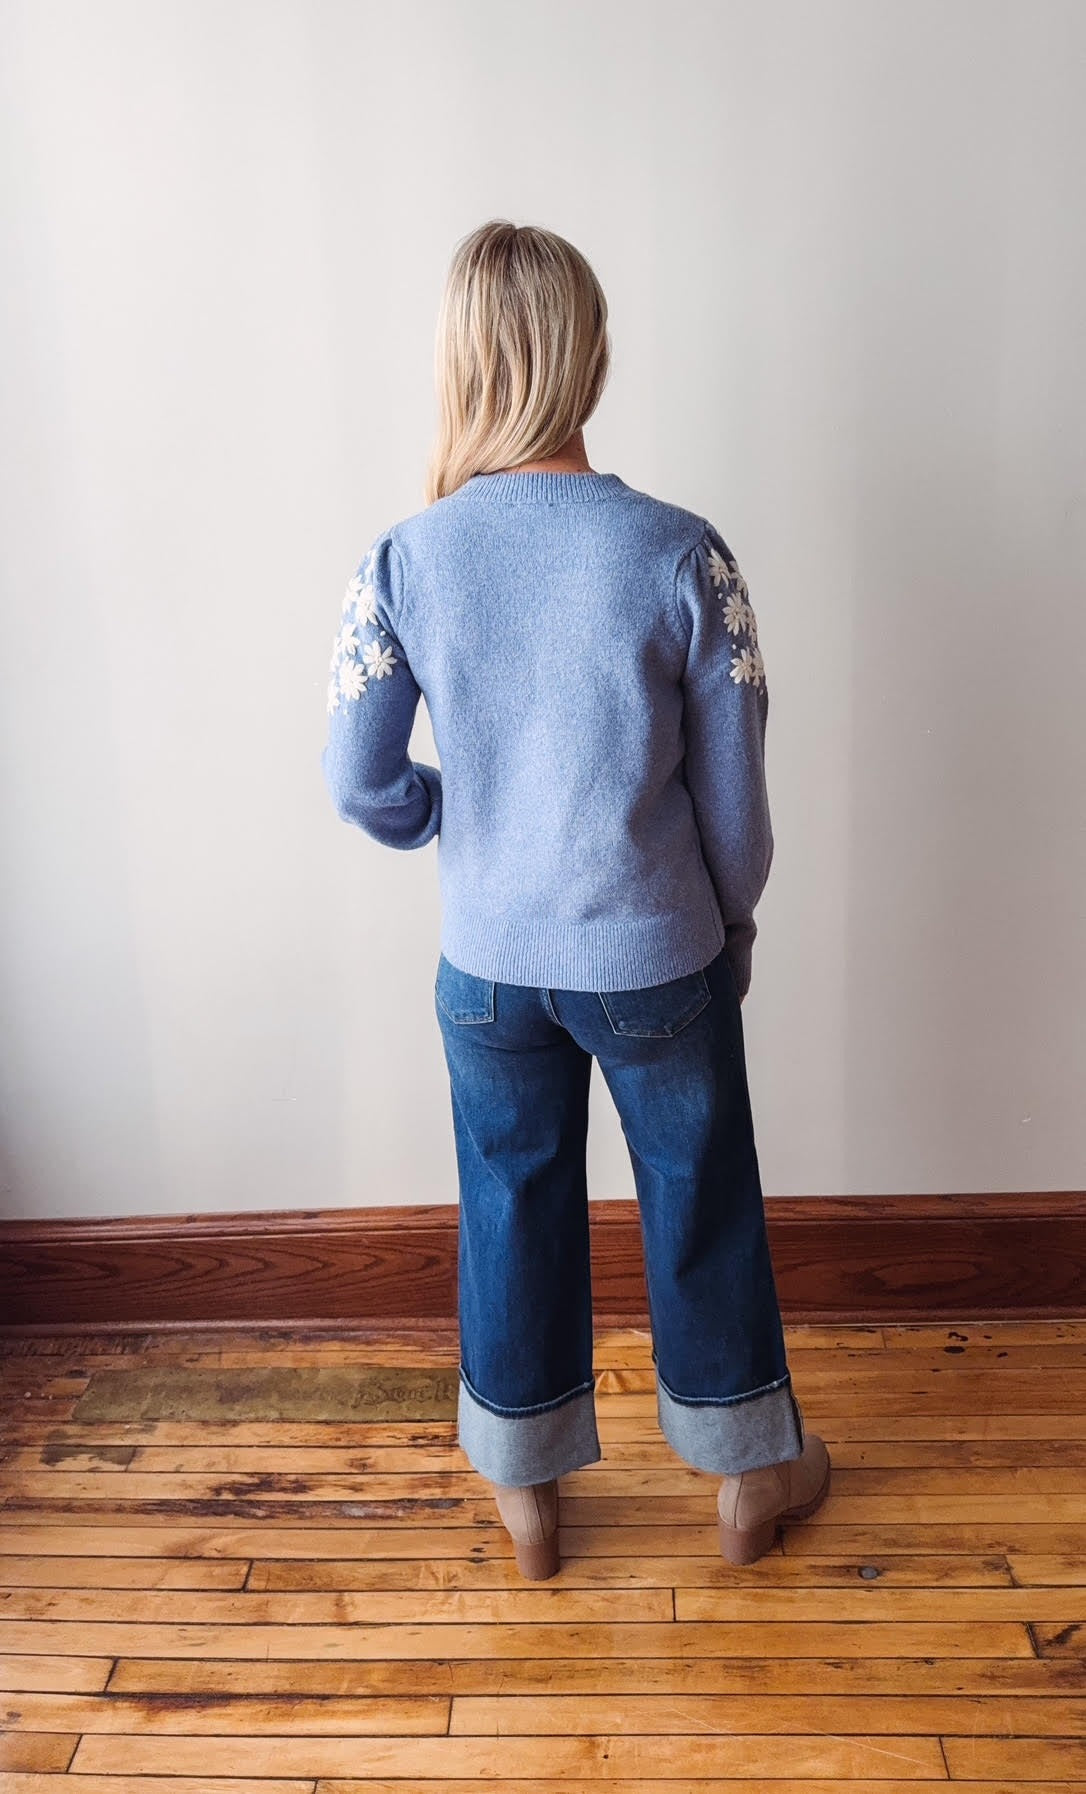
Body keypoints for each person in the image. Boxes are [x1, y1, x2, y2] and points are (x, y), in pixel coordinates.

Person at [321, 217, 830, 1579]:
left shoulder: (403, 560)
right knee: (699, 1189)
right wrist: (725, 923)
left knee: (509, 1196)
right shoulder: (680, 553)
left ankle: (529, 1489)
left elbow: (356, 777)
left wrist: (450, 821)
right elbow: (736, 805)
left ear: (464, 363)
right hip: (654, 950)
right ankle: (744, 1476)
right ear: (586, 358)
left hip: (485, 959)